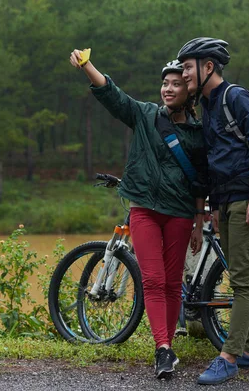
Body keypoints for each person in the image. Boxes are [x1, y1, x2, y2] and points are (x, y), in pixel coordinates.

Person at [68, 49, 208, 380]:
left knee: (173, 283)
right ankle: (162, 349)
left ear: (189, 91)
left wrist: (200, 220)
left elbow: (202, 179)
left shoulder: (199, 133)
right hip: (144, 209)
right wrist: (88, 66)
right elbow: (112, 96)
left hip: (179, 213)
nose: (168, 89)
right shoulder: (146, 115)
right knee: (154, 280)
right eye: (165, 84)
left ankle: (169, 344)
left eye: (176, 84)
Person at [177, 37, 249, 385]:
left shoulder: (235, 97)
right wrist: (214, 207)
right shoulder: (209, 107)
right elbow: (217, 161)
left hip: (248, 198)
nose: (183, 73)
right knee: (245, 276)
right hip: (229, 200)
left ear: (208, 67)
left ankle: (228, 357)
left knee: (243, 281)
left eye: (188, 67)